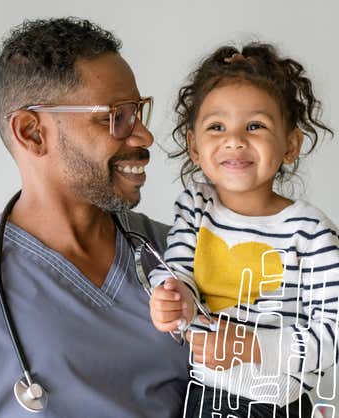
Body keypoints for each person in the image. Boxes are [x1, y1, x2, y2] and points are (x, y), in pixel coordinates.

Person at [0, 17, 193, 418]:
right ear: (32, 133)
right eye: (115, 116)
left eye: (138, 112)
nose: (144, 136)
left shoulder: (181, 252)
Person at [149, 43, 339, 417]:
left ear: (291, 144)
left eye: (255, 126)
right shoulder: (195, 207)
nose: (234, 139)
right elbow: (177, 273)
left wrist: (252, 347)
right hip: (203, 396)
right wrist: (171, 298)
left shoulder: (311, 232)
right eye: (216, 127)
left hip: (277, 404)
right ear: (194, 146)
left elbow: (333, 335)